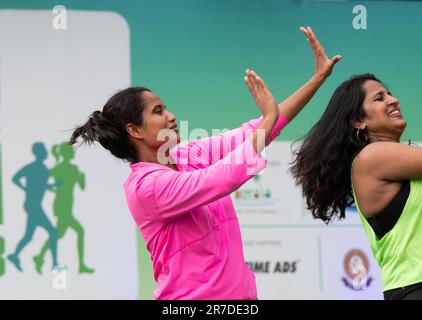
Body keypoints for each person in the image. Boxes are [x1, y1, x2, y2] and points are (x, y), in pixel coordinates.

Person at [69, 27, 340, 299]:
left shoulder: (187, 156)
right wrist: (267, 120)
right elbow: (221, 178)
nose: (172, 116)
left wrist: (317, 79)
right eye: (158, 111)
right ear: (135, 130)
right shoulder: (146, 187)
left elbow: (255, 132)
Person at [290, 73, 422, 300]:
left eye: (389, 94)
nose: (393, 100)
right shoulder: (373, 156)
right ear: (358, 121)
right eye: (379, 98)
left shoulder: (402, 160)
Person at [33, 142, 94, 274]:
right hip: (62, 206)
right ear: (65, 154)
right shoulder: (59, 168)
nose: (72, 153)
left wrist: (81, 177)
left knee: (59, 234)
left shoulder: (73, 169)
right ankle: (81, 265)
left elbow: (82, 187)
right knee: (75, 232)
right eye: (70, 151)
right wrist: (54, 187)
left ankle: (39, 257)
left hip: (67, 205)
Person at [8, 142, 59, 272]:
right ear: (39, 153)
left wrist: (53, 186)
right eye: (43, 150)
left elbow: (42, 186)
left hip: (35, 205)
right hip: (33, 205)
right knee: (52, 232)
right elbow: (15, 178)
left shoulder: (43, 169)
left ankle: (14, 255)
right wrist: (25, 188)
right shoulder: (32, 167)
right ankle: (54, 263)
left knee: (29, 236)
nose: (46, 152)